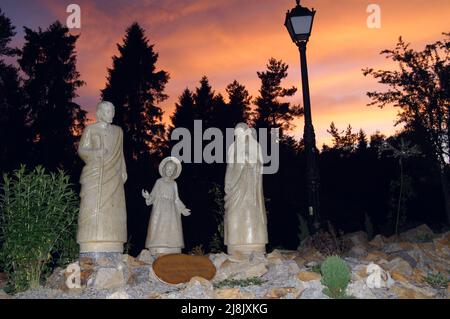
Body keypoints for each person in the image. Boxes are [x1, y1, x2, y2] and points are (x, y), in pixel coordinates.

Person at [77, 101, 127, 253]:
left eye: (112, 111)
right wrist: (96, 153)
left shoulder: (118, 131)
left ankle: (113, 238)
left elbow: (121, 153)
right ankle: (91, 238)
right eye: (107, 111)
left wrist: (124, 170)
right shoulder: (90, 129)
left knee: (114, 207)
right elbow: (82, 150)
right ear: (99, 113)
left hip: (114, 174)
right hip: (95, 172)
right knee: (91, 205)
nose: (110, 114)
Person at [224, 123, 268, 255]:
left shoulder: (255, 146)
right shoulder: (233, 147)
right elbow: (230, 167)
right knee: (233, 214)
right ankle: (235, 244)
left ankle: (253, 245)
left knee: (250, 212)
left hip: (250, 185)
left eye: (240, 133)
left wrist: (250, 162)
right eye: (236, 134)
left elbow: (261, 164)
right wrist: (227, 183)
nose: (238, 136)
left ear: (246, 133)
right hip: (235, 184)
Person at [142, 156, 191, 254]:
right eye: (168, 169)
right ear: (164, 169)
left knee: (172, 228)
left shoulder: (174, 184)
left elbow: (176, 199)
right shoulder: (159, 182)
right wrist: (148, 197)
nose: (170, 171)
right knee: (159, 227)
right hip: (159, 210)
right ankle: (157, 246)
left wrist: (183, 209)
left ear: (174, 172)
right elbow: (153, 195)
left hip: (172, 211)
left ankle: (173, 247)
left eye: (172, 170)